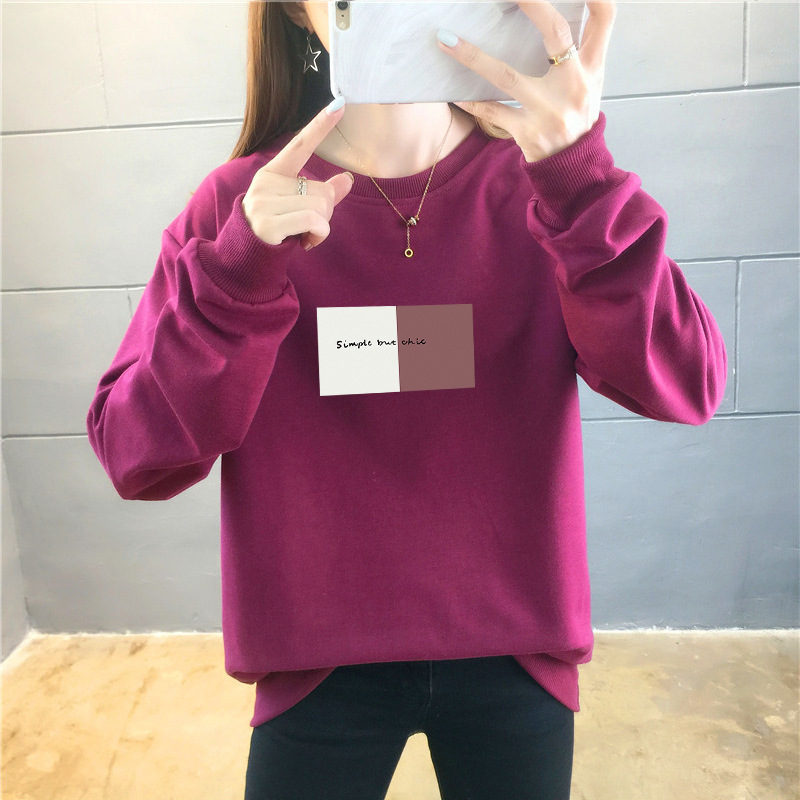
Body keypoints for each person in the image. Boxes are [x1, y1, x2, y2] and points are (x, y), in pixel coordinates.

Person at [86, 2, 727, 798]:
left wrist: (583, 181)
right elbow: (134, 453)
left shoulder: (548, 183)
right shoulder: (242, 208)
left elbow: (687, 382)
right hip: (317, 661)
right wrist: (234, 279)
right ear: (296, 14)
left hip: (514, 649)